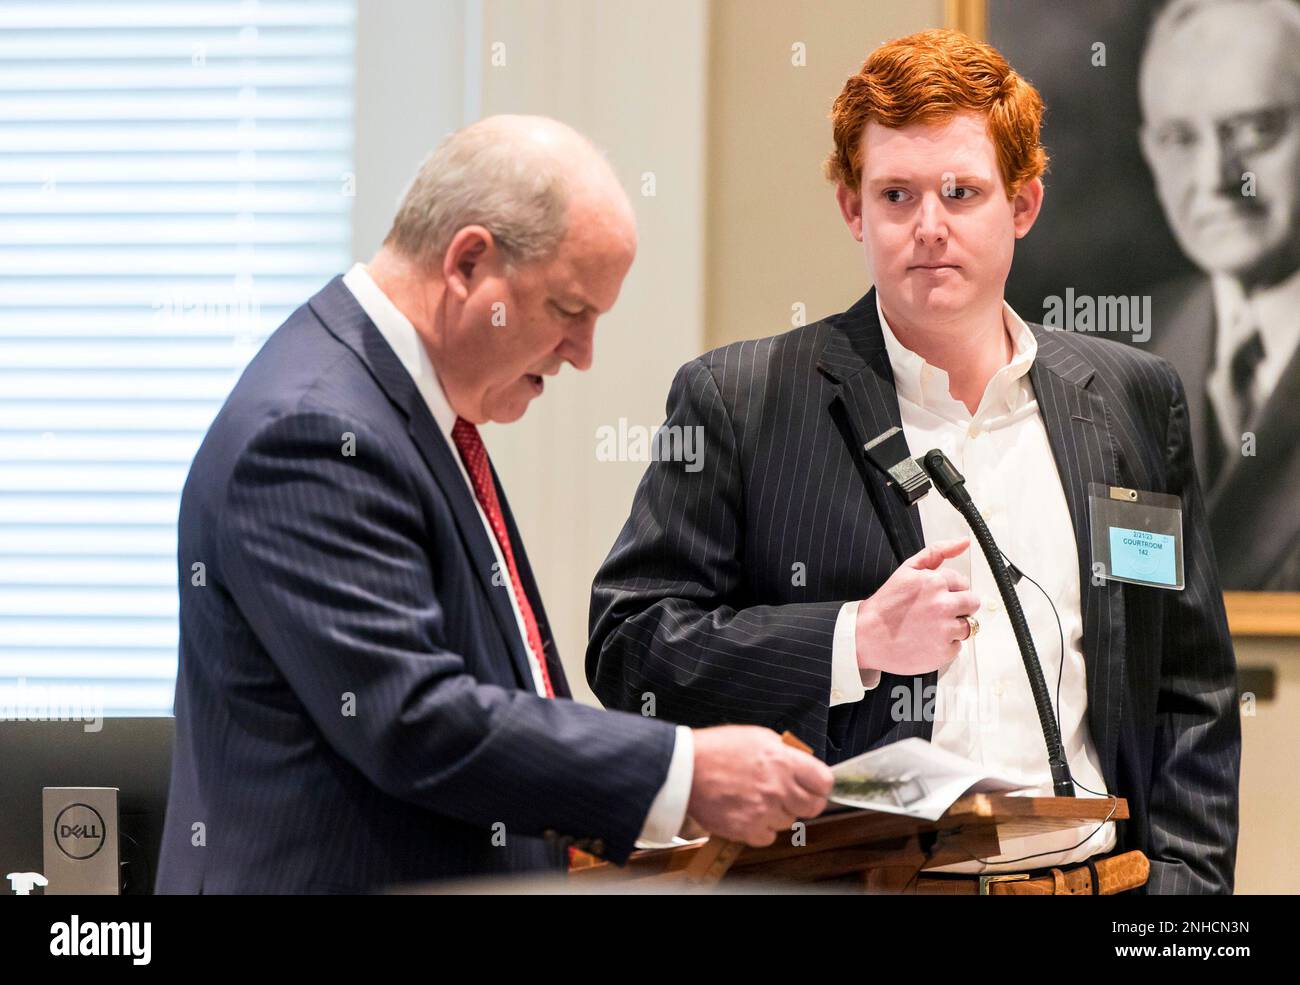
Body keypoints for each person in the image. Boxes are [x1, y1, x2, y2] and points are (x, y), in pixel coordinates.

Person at [588, 30, 1240, 893]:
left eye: (962, 192)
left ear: (1023, 204)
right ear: (854, 211)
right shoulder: (740, 399)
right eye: (895, 194)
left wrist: (1186, 895)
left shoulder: (1132, 399)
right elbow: (630, 651)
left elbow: (1189, 685)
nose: (929, 227)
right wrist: (854, 638)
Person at [155, 115, 832, 893]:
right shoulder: (316, 430)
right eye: (571, 311)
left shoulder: (412, 407)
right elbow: (412, 721)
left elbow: (507, 694)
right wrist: (683, 771)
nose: (583, 354)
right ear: (469, 262)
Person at [1139, 0, 1300, 588]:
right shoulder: (1123, 360)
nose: (1214, 179)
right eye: (1179, 138)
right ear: (1152, 153)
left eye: (1254, 129)